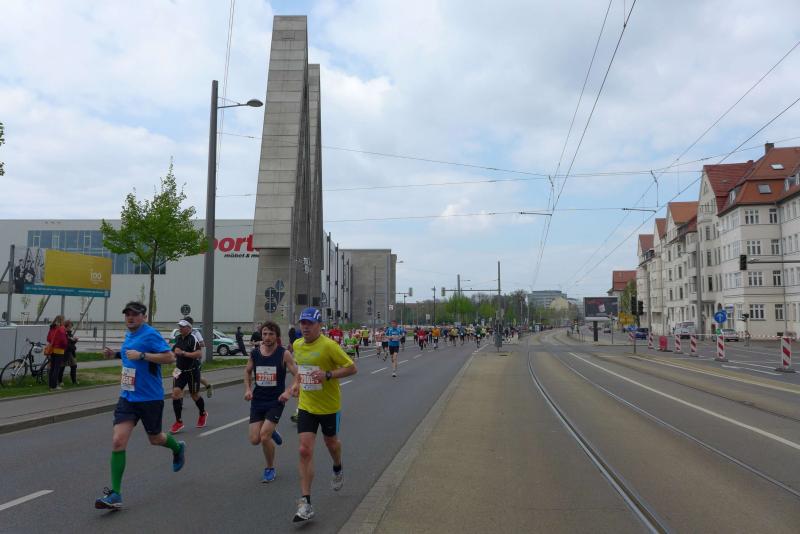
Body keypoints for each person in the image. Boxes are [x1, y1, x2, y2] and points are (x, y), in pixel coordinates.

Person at [95, 301, 184, 510]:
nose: (130, 317)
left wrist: (143, 356)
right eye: (127, 314)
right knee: (118, 441)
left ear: (143, 316)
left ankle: (177, 447)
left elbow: (170, 357)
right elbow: (130, 354)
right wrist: (115, 354)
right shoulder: (129, 334)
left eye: (135, 314)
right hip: (127, 397)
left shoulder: (150, 334)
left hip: (150, 398)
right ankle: (116, 494)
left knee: (155, 438)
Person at [291, 307, 357, 523]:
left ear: (319, 325)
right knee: (304, 450)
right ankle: (305, 503)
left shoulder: (329, 346)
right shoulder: (297, 345)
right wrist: (296, 384)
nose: (305, 327)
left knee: (331, 444)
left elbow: (352, 368)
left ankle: (337, 467)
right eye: (303, 323)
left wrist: (328, 374)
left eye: (310, 323)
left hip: (329, 406)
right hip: (306, 405)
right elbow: (301, 369)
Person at [244, 321, 297, 483]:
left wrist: (288, 392)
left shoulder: (283, 354)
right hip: (258, 400)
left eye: (271, 334)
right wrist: (248, 389)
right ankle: (272, 430)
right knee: (254, 440)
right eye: (265, 334)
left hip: (276, 400)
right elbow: (247, 371)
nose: (267, 337)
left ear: (277, 336)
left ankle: (269, 468)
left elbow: (298, 375)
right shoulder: (255, 353)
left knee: (264, 437)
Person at [170, 319, 208, 433]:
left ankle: (203, 413)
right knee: (175, 394)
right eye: (179, 326)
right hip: (179, 370)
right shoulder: (178, 338)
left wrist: (183, 353)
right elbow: (173, 352)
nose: (180, 328)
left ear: (189, 328)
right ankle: (179, 422)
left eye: (182, 326)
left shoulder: (193, 338)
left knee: (194, 395)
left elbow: (199, 354)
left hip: (192, 371)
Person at [182, 316, 214, 397]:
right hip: (181, 362)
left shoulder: (195, 333)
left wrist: (192, 347)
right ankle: (178, 398)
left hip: (193, 361)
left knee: (197, 377)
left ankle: (208, 386)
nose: (181, 327)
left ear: (188, 325)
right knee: (177, 378)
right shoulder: (180, 334)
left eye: (183, 325)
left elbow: (202, 344)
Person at [46, 315, 68, 391]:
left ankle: (50, 385)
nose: (64, 321)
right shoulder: (61, 328)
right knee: (56, 369)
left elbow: (48, 339)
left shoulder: (52, 327)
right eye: (63, 320)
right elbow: (63, 341)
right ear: (61, 321)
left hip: (52, 350)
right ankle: (54, 386)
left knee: (52, 368)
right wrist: (65, 346)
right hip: (59, 350)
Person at [59, 319, 79, 386]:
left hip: (70, 352)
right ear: (66, 326)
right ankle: (60, 381)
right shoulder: (64, 333)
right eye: (69, 326)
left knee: (74, 366)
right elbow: (66, 344)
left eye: (71, 326)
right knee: (62, 367)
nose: (70, 328)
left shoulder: (70, 334)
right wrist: (73, 346)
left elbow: (71, 343)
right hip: (64, 353)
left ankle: (74, 380)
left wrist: (75, 341)